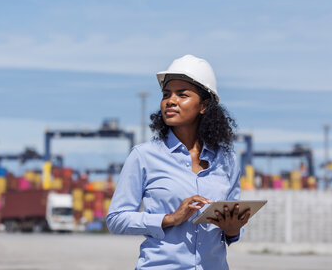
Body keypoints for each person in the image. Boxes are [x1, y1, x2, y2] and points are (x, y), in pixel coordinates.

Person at [106, 54, 250, 270]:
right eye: (166, 94)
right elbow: (116, 219)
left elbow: (232, 227)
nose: (170, 101)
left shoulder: (226, 160)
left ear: (204, 105)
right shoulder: (143, 156)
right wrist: (170, 219)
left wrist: (233, 229)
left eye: (182, 95)